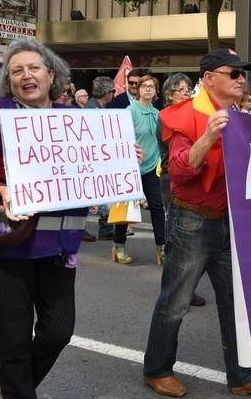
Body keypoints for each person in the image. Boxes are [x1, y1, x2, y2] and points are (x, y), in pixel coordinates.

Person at [143, 48, 251, 399]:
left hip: (231, 222)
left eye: (243, 74)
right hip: (191, 220)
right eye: (234, 74)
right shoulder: (182, 114)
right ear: (208, 78)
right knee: (174, 302)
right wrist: (207, 137)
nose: (242, 79)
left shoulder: (241, 116)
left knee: (237, 304)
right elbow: (178, 170)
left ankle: (243, 376)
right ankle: (157, 370)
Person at [0, 38, 91, 399]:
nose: (25, 75)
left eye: (33, 68)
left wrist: (124, 154)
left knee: (58, 331)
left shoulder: (77, 119)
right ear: (8, 81)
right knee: (12, 344)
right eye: (16, 71)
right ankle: (17, 388)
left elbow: (98, 168)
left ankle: (14, 385)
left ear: (51, 74)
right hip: (8, 247)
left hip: (59, 248)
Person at [156, 73, 205, 307]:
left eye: (188, 90)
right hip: (171, 179)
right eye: (182, 91)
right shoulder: (167, 118)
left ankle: (187, 287)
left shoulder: (191, 114)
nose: (187, 94)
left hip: (190, 178)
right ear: (169, 95)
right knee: (178, 237)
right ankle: (176, 289)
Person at [124, 75, 166, 265]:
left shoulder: (158, 114)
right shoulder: (130, 110)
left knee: (157, 207)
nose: (148, 89)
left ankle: (161, 248)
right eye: (144, 86)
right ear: (138, 89)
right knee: (125, 208)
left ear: (156, 91)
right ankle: (118, 246)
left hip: (151, 167)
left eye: (152, 86)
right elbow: (122, 136)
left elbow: (161, 140)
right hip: (132, 166)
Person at [83, 77, 116, 241]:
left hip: (99, 160)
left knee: (103, 194)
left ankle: (106, 228)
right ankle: (100, 228)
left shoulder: (94, 108)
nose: (114, 95)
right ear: (107, 93)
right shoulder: (92, 111)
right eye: (113, 92)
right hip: (93, 160)